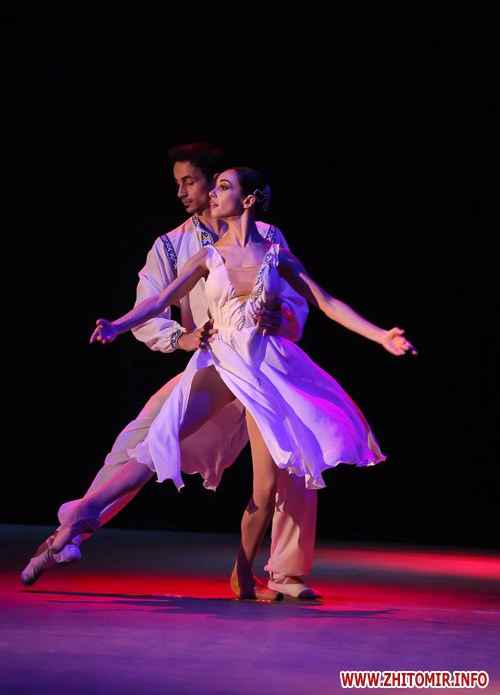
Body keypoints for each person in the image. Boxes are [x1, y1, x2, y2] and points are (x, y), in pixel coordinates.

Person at [46, 166, 417, 600]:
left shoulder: (276, 252)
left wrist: (381, 335)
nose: (212, 193)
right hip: (221, 361)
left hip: (266, 368)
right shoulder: (204, 255)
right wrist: (117, 325)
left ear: (248, 200)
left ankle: (249, 571)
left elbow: (326, 302)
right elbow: (160, 299)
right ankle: (84, 513)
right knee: (159, 439)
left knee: (270, 483)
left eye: (223, 187)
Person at [21, 143, 319, 600]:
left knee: (295, 460)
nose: (182, 192)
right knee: (143, 441)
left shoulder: (268, 235)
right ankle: (75, 526)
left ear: (219, 184)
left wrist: (285, 317)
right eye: (178, 183)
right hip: (214, 366)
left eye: (190, 182)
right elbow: (153, 305)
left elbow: (298, 297)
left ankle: (285, 572)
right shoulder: (172, 246)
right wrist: (180, 337)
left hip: (265, 367)